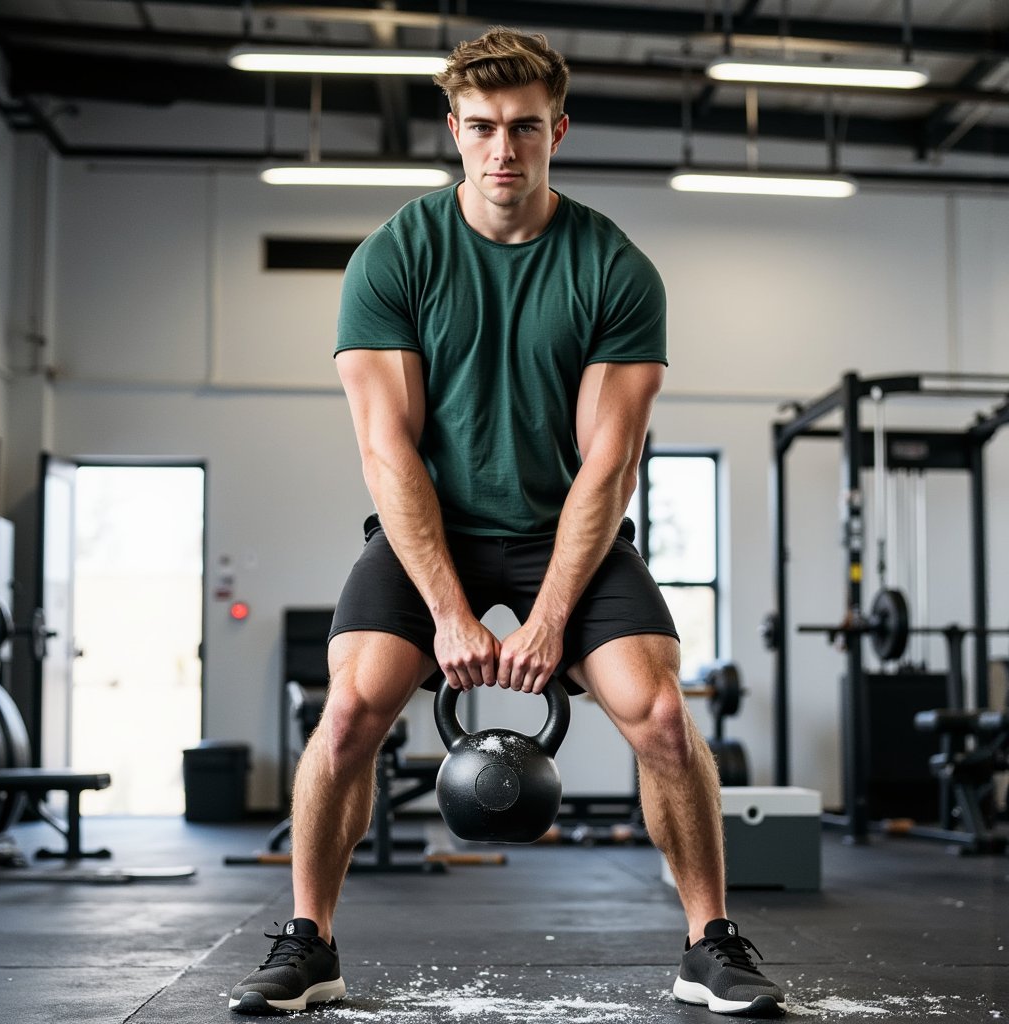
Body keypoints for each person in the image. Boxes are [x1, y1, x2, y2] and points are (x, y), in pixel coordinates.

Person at [229, 26, 786, 1018]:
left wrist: (546, 620)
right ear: (451, 130)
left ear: (557, 131)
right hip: (423, 529)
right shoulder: (393, 258)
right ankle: (308, 942)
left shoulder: (613, 269)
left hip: (562, 530)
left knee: (661, 716)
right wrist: (448, 612)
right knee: (352, 709)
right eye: (481, 127)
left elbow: (609, 464)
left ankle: (708, 942)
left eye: (524, 128)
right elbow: (386, 451)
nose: (502, 150)